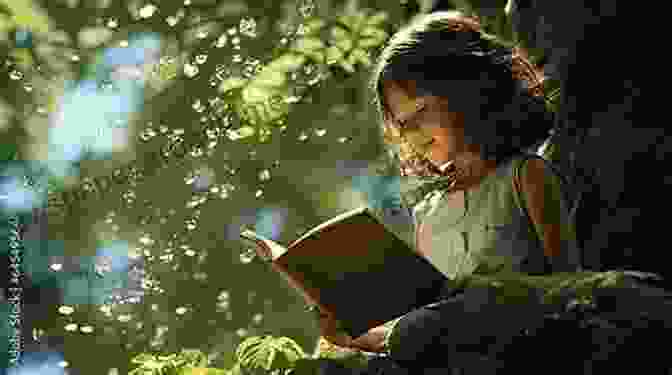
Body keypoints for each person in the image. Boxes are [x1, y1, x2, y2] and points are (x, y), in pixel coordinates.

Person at [315, 10, 581, 371]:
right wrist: (350, 337)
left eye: (421, 111)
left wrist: (490, 298)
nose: (413, 132)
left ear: (468, 91)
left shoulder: (524, 177)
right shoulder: (427, 214)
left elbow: (576, 294)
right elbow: (423, 330)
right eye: (403, 124)